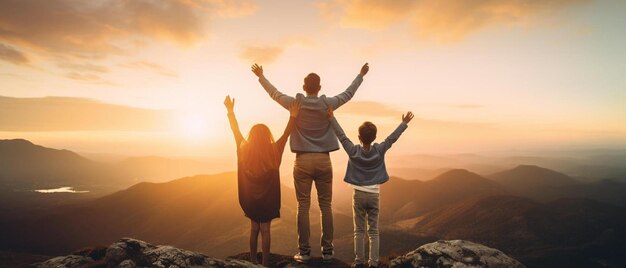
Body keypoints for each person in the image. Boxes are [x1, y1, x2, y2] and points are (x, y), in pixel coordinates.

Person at [251, 63, 369, 263]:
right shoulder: (328, 104)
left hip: (302, 160)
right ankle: (328, 252)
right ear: (319, 88)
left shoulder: (295, 104)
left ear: (304, 87)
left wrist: (261, 76)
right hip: (324, 160)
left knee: (303, 206)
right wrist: (360, 75)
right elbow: (348, 94)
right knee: (326, 206)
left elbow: (275, 93)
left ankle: (304, 253)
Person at [327, 108, 414, 268]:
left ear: (359, 137)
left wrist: (332, 118)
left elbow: (341, 136)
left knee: (358, 231)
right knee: (373, 231)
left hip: (358, 195)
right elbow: (391, 139)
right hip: (374, 195)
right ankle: (373, 263)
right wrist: (403, 123)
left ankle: (359, 262)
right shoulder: (379, 150)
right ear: (374, 137)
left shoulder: (353, 151)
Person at [224, 95, 301, 266]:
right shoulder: (275, 150)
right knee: (265, 230)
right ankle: (265, 263)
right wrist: (293, 115)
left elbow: (235, 131)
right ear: (267, 136)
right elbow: (287, 133)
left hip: (250, 200)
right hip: (268, 201)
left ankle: (252, 261)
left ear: (251, 137)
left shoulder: (244, 150)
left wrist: (230, 111)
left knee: (254, 229)